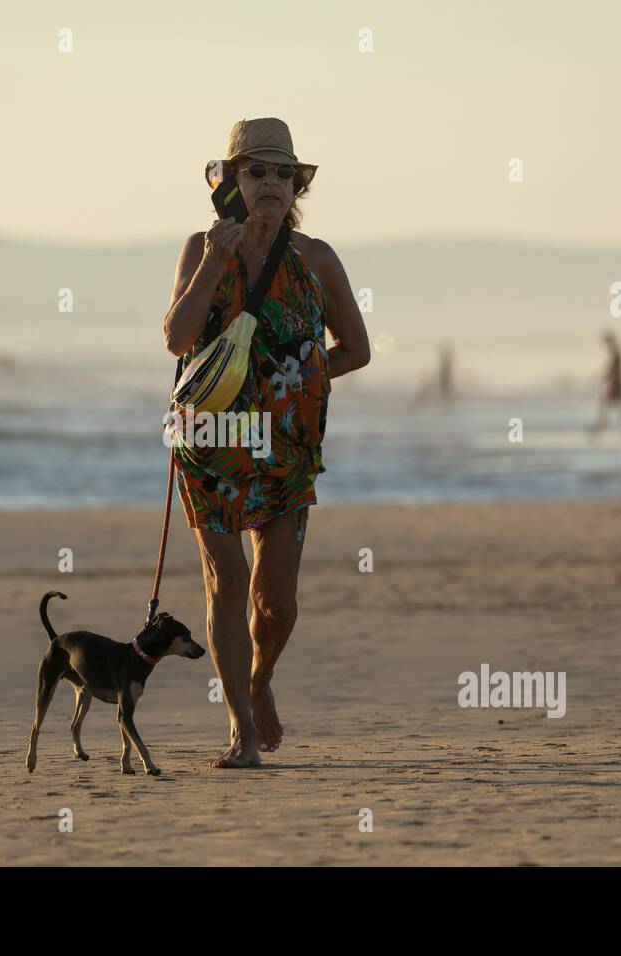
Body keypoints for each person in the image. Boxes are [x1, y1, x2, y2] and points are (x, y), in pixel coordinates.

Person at [163, 118, 370, 768]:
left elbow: (356, 351)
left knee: (275, 600)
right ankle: (240, 730)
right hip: (212, 436)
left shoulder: (318, 258)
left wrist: (298, 387)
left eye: (284, 173)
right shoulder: (202, 247)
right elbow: (177, 337)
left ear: (296, 185)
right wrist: (219, 261)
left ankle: (258, 678)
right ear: (230, 183)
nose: (272, 184)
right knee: (227, 580)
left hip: (286, 447)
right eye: (258, 171)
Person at [589, 332, 621, 438]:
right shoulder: (616, 353)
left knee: (609, 407)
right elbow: (612, 369)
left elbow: (614, 370)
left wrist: (607, 378)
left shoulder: (616, 353)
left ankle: (598, 429)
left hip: (615, 384)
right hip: (615, 384)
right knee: (616, 408)